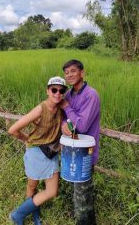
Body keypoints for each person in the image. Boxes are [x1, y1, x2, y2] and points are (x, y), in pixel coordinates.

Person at [8, 76, 67, 225]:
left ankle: (18, 214)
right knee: (32, 186)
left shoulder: (61, 108)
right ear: (48, 91)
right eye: (54, 89)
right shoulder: (40, 109)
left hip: (51, 152)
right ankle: (31, 214)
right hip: (36, 152)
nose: (57, 93)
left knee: (52, 191)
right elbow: (13, 130)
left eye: (61, 90)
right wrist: (27, 138)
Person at [60, 59, 100, 225]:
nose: (69, 75)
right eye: (66, 72)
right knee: (80, 193)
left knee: (81, 193)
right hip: (71, 149)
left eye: (73, 71)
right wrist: (63, 124)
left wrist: (67, 107)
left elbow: (81, 126)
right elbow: (65, 120)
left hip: (85, 153)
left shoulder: (91, 95)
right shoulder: (69, 94)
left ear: (82, 73)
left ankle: (83, 221)